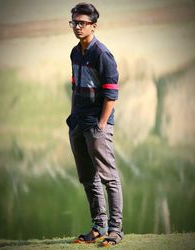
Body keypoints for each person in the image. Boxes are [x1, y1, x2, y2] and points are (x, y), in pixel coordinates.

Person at [66, 2, 123, 246]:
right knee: (88, 178)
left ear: (93, 26)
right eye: (74, 22)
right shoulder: (75, 52)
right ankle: (98, 227)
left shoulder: (103, 55)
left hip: (96, 125)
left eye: (82, 23)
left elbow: (111, 95)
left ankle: (115, 230)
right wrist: (72, 117)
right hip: (78, 123)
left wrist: (101, 125)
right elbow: (75, 86)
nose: (78, 27)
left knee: (108, 177)